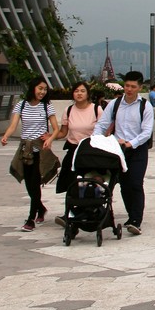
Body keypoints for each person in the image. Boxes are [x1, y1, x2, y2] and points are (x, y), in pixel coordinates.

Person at [93, 70, 155, 236]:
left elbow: (146, 132)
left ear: (140, 88)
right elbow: (102, 124)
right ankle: (130, 216)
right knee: (124, 185)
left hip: (137, 149)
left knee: (135, 183)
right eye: (127, 85)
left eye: (133, 86)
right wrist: (95, 139)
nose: (129, 89)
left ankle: (136, 220)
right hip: (118, 150)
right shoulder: (115, 104)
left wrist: (131, 143)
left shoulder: (145, 106)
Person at [1, 75, 61, 231]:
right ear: (33, 88)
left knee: (34, 184)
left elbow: (56, 128)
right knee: (29, 184)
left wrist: (50, 139)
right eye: (40, 88)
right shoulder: (21, 106)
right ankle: (40, 208)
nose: (42, 92)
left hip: (39, 151)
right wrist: (6, 136)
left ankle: (30, 219)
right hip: (25, 150)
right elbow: (13, 125)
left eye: (45, 89)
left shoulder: (47, 106)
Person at [51, 81, 104, 226]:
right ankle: (71, 212)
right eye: (76, 91)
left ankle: (92, 209)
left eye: (82, 91)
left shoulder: (96, 110)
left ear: (87, 94)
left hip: (92, 151)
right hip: (74, 150)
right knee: (71, 182)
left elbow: (105, 130)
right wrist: (50, 136)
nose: (79, 93)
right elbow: (63, 132)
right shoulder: (68, 110)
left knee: (91, 181)